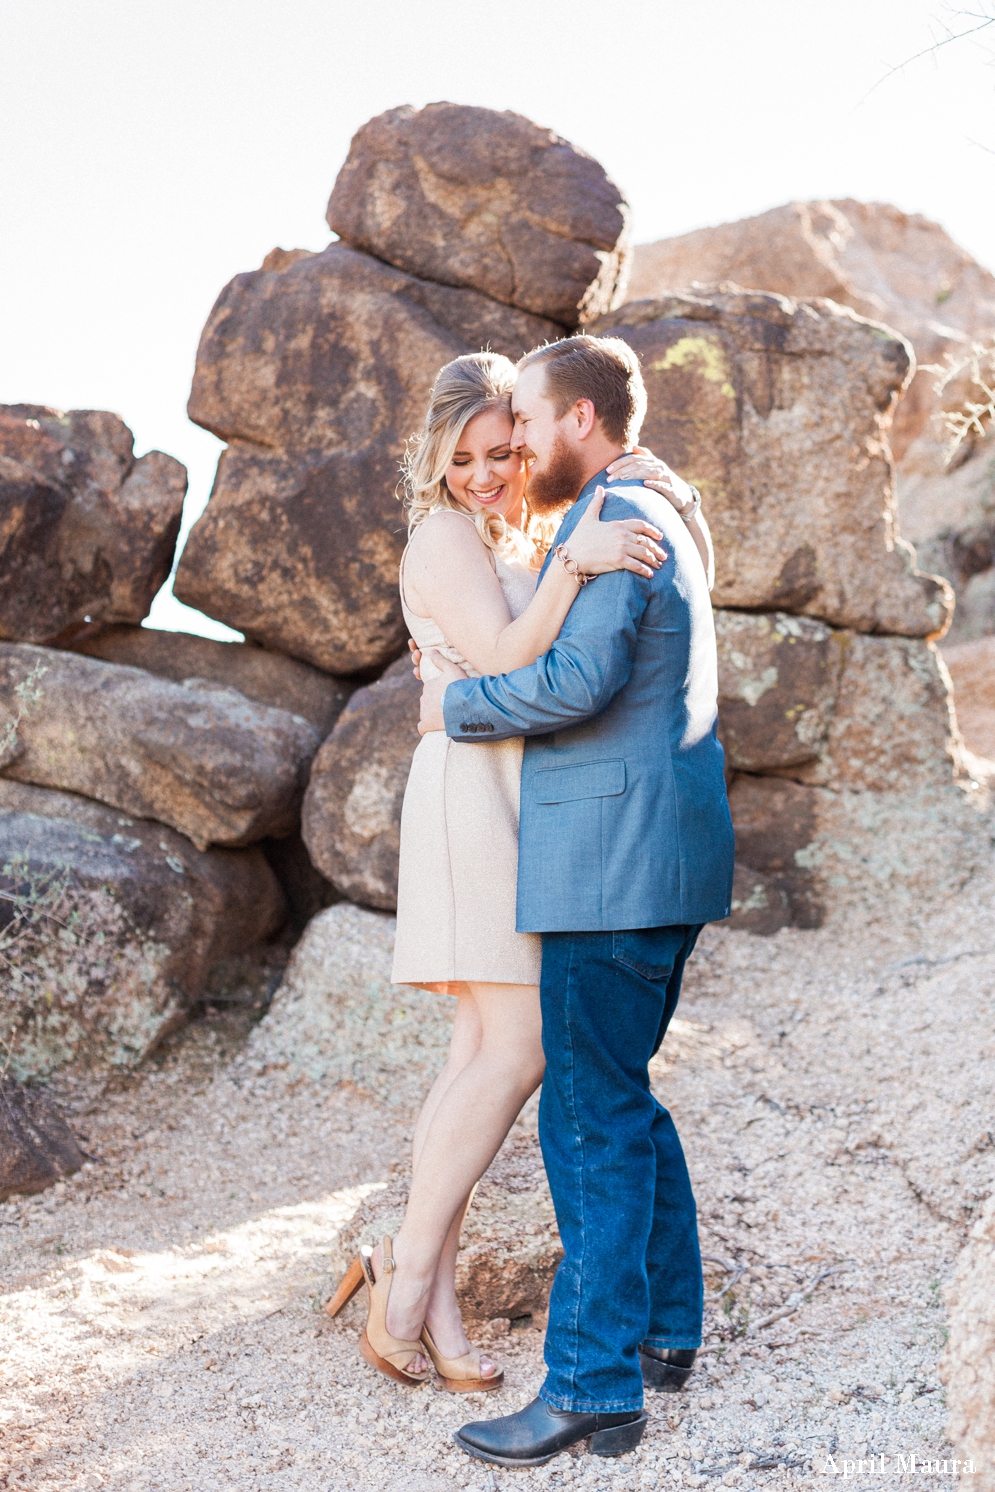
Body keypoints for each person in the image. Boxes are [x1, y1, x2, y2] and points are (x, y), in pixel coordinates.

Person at [327, 350, 709, 1395]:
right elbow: (503, 657)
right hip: (470, 792)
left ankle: (425, 1296)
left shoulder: (507, 527)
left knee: (474, 1051)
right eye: (463, 459)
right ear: (435, 460)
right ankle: (405, 1283)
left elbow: (545, 599)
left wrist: (638, 495)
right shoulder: (445, 534)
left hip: (511, 792)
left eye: (502, 452)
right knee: (523, 1041)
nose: (484, 474)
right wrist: (578, 564)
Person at [416, 335, 735, 1467]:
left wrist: (453, 703)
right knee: (624, 1098)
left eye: (529, 425)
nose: (519, 448)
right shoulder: (649, 501)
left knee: (585, 1115)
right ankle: (664, 1328)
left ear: (581, 422)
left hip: (615, 861)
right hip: (661, 852)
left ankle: (592, 1384)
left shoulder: (619, 524)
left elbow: (574, 680)